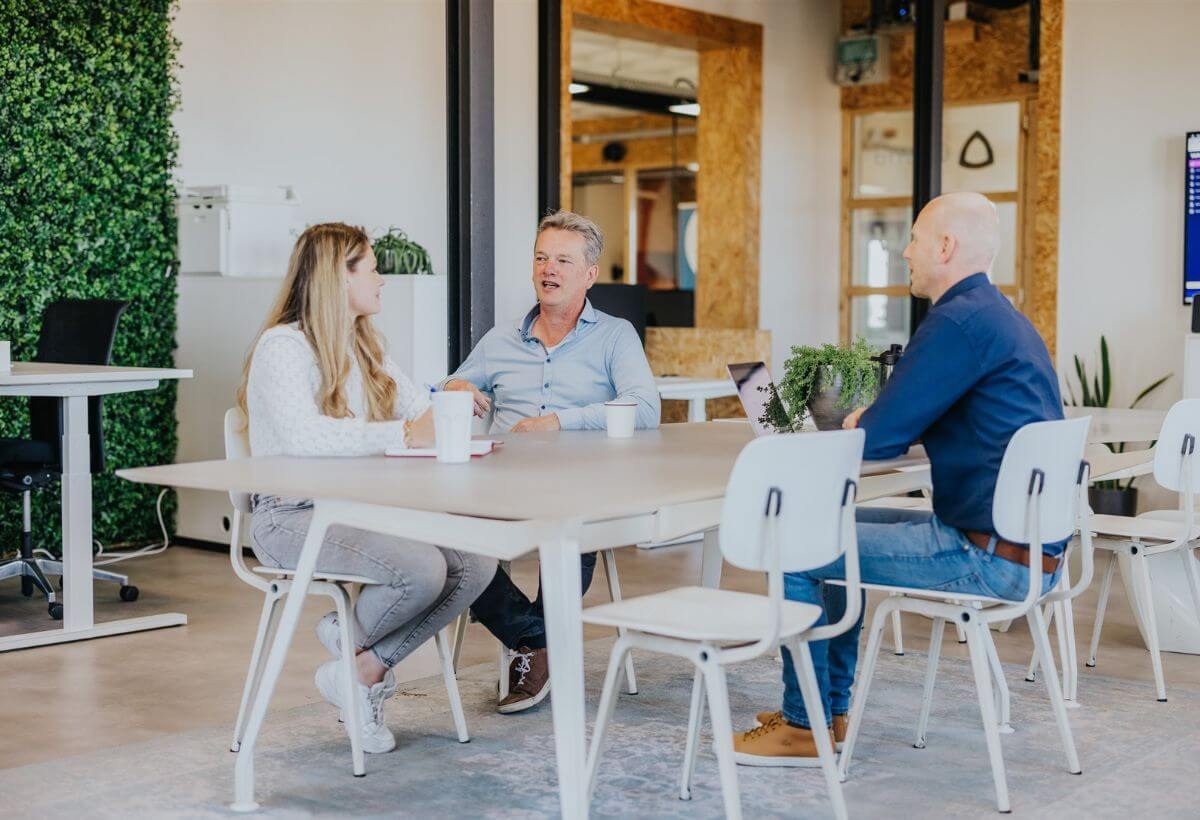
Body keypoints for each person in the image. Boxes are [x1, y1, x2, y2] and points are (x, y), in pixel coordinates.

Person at [734, 192, 1066, 765]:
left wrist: (874, 420)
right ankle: (829, 710)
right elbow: (910, 419)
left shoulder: (958, 322)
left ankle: (803, 726)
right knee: (830, 524)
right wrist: (884, 418)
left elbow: (879, 438)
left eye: (914, 239)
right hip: (1025, 547)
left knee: (794, 542)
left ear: (945, 247)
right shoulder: (997, 316)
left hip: (987, 555)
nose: (905, 252)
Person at [239, 222, 496, 754]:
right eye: (372, 267)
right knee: (422, 570)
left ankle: (359, 669)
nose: (382, 278)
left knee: (479, 560)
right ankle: (354, 646)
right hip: (290, 516)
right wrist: (403, 432)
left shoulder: (365, 348)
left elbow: (420, 408)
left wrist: (448, 399)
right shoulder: (281, 347)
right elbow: (304, 438)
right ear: (339, 277)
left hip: (358, 510)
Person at [442, 209, 660, 713]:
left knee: (566, 527)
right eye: (541, 257)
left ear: (589, 274)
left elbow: (646, 408)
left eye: (563, 259)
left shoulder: (615, 336)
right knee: (448, 539)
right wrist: (455, 386)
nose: (549, 269)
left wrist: (561, 421)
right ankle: (536, 640)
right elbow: (450, 384)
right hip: (499, 483)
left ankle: (531, 651)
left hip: (581, 485)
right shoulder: (500, 340)